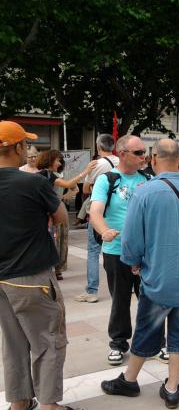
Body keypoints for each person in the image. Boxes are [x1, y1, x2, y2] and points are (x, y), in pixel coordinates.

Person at [101, 139, 179, 408]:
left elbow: (131, 241)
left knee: (146, 330)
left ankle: (129, 380)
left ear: (154, 159)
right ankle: (173, 387)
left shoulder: (144, 193)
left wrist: (133, 262)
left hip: (157, 279)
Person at [0, 120, 86, 410]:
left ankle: (18, 401)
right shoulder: (33, 183)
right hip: (31, 276)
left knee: (12, 341)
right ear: (18, 147)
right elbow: (61, 218)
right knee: (49, 340)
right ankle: (49, 408)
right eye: (26, 144)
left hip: (1, 279)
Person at [90, 135, 168, 365]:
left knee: (152, 299)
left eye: (144, 152)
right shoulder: (108, 179)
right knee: (120, 300)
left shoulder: (149, 178)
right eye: (138, 152)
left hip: (147, 253)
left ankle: (157, 343)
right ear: (122, 153)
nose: (144, 156)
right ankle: (118, 343)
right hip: (116, 251)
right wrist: (104, 230)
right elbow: (95, 211)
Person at [36, 150, 97, 280]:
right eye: (57, 160)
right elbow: (71, 185)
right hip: (51, 212)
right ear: (50, 160)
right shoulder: (46, 174)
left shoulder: (49, 175)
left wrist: (62, 197)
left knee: (59, 239)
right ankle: (54, 268)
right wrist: (86, 171)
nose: (59, 163)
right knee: (56, 240)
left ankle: (55, 268)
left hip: (53, 209)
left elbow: (74, 188)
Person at [75, 134, 119, 303]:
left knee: (93, 251)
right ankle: (125, 285)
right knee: (118, 248)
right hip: (117, 211)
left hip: (99, 210)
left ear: (98, 146)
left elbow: (86, 189)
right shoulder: (119, 162)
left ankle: (92, 291)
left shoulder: (96, 164)